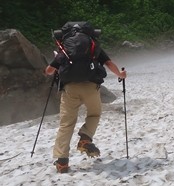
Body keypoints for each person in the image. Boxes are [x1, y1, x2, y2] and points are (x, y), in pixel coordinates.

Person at [44, 22, 127, 173]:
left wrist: (57, 63)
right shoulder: (92, 47)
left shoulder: (65, 49)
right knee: (94, 114)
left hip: (70, 89)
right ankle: (85, 138)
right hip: (91, 87)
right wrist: (121, 75)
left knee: (66, 124)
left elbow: (49, 71)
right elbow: (109, 63)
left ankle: (62, 162)